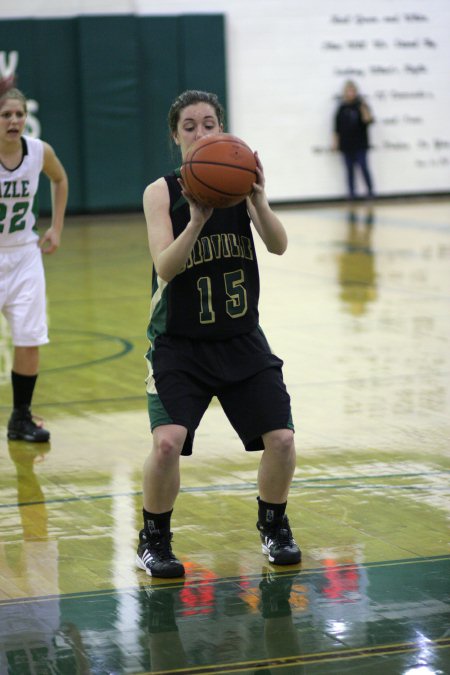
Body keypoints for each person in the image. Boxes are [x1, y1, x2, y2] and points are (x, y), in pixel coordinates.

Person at [136, 89, 301, 578]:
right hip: (178, 344)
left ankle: (274, 527)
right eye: (190, 126)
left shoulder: (237, 183)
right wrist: (197, 222)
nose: (201, 133)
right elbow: (165, 265)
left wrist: (260, 199)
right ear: (175, 136)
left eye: (210, 124)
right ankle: (154, 540)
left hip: (241, 340)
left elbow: (278, 246)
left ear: (222, 129)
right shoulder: (161, 192)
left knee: (283, 440)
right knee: (167, 442)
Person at [0, 79, 68, 442]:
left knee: (29, 339)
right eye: (6, 114)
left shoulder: (39, 151)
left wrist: (55, 228)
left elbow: (59, 180)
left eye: (19, 114)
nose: (14, 120)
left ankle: (20, 418)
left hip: (25, 255)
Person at [333, 80, 374, 201]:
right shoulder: (342, 107)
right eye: (348, 91)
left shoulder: (361, 105)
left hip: (360, 144)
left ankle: (370, 191)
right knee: (349, 169)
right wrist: (335, 142)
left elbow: (368, 121)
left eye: (352, 91)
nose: (350, 94)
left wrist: (363, 108)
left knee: (363, 167)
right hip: (346, 144)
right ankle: (351, 193)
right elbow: (336, 127)